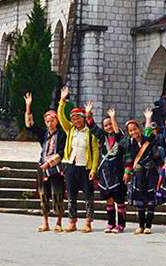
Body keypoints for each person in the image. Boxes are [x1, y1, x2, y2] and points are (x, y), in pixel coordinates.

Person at [56, 87, 99, 234]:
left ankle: (88, 223)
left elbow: (95, 151)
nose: (76, 121)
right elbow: (60, 117)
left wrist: (93, 169)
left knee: (88, 196)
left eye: (79, 118)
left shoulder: (89, 132)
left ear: (84, 118)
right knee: (71, 196)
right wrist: (62, 101)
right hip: (71, 166)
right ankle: (72, 222)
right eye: (73, 119)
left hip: (85, 167)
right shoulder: (70, 130)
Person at [24, 92, 66, 232]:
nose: (50, 124)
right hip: (42, 167)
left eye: (52, 121)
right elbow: (30, 126)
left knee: (57, 193)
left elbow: (61, 152)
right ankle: (46, 222)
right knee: (43, 194)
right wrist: (28, 107)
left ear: (57, 121)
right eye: (47, 121)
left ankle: (59, 222)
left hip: (55, 168)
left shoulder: (61, 134)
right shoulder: (44, 134)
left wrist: (50, 163)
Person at [91, 105, 127, 233]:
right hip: (105, 172)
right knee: (109, 200)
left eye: (110, 124)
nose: (108, 127)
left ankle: (121, 224)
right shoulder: (103, 138)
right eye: (106, 125)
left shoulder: (120, 136)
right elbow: (93, 129)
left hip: (117, 171)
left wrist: (113, 118)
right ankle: (111, 223)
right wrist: (89, 113)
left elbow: (119, 138)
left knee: (120, 200)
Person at [124, 114, 160, 234]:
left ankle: (148, 225)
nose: (133, 132)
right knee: (140, 201)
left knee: (150, 201)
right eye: (130, 130)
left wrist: (148, 119)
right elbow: (128, 159)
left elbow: (149, 133)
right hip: (138, 173)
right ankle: (141, 225)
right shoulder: (130, 144)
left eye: (135, 129)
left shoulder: (147, 140)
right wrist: (127, 172)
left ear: (139, 129)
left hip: (150, 173)